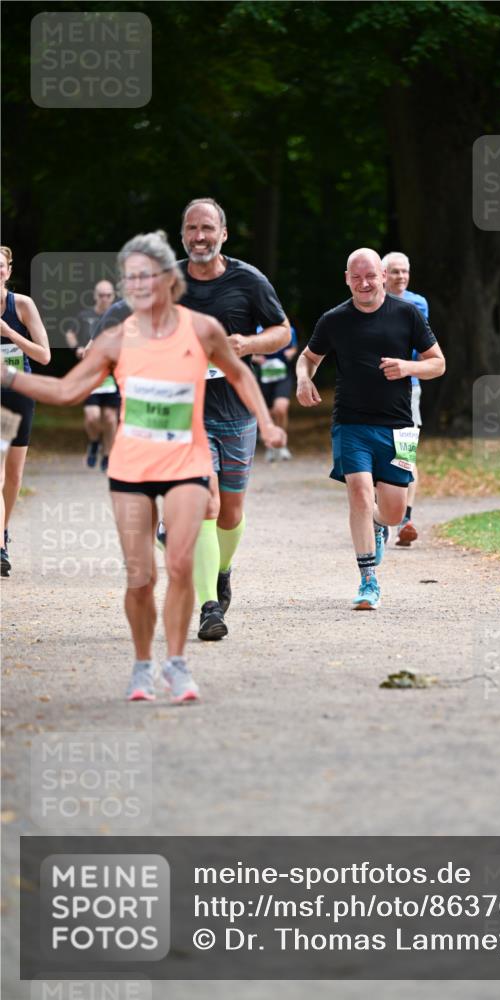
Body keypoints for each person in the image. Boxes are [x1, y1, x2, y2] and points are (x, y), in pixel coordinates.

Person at [1, 231, 285, 701]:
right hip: (133, 462)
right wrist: (10, 376)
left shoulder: (202, 329)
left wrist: (266, 425)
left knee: (178, 562)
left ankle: (176, 664)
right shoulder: (117, 334)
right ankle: (141, 665)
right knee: (140, 577)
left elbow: (239, 373)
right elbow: (68, 391)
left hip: (186, 459)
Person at [97, 199, 291, 640]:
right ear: (182, 235)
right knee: (207, 502)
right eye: (191, 229)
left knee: (231, 511)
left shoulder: (248, 280)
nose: (199, 237)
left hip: (236, 412)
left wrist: (248, 344)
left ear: (223, 234)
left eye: (207, 228)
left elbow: (282, 330)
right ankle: (208, 608)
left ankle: (220, 570)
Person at [296, 248, 445, 610]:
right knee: (361, 492)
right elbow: (308, 358)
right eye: (356, 277)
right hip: (351, 422)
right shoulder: (334, 320)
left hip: (401, 426)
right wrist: (303, 380)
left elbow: (438, 364)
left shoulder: (408, 313)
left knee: (393, 511)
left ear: (382, 275)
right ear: (347, 278)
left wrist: (407, 368)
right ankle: (367, 579)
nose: (364, 283)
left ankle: (380, 525)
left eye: (370, 276)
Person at [0, 245, 51, 577]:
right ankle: (0, 547)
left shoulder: (23, 305)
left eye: (0, 266)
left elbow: (45, 355)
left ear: (8, 269)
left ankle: (3, 532)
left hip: (19, 393)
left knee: (13, 476)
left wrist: (9, 333)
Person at [382, 251, 429, 546]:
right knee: (378, 453)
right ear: (383, 275)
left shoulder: (418, 303)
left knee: (405, 452)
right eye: (395, 271)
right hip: (374, 390)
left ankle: (404, 519)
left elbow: (424, 346)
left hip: (408, 387)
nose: (401, 276)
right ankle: (382, 516)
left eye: (405, 271)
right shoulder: (370, 300)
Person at [64, 279, 119, 470]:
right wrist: (77, 348)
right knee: (92, 416)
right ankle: (94, 441)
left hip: (113, 374)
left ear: (113, 296)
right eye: (101, 295)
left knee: (111, 418)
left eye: (108, 295)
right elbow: (70, 333)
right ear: (95, 296)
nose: (104, 299)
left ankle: (108, 455)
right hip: (91, 374)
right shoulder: (84, 315)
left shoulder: (119, 316)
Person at [253, 323, 299, 461]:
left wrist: (290, 353)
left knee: (281, 408)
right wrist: (256, 358)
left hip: (282, 376)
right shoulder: (256, 330)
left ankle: (282, 445)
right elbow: (248, 352)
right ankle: (271, 446)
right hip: (264, 377)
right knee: (269, 412)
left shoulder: (288, 329)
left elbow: (294, 348)